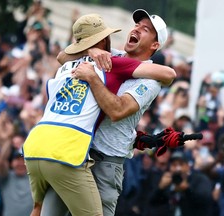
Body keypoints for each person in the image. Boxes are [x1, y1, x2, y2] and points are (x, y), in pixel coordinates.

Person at [23, 13, 176, 216]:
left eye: (145, 29)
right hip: (74, 152)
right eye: (137, 24)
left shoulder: (150, 80)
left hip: (106, 162)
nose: (136, 29)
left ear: (155, 45)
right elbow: (63, 56)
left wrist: (93, 77)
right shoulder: (111, 55)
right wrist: (92, 49)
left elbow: (117, 111)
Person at [150, 151, 214, 216]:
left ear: (187, 166)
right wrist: (160, 188)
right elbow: (153, 202)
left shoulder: (199, 178)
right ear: (170, 167)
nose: (178, 168)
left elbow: (205, 200)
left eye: (181, 164)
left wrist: (187, 189)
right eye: (174, 165)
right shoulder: (169, 180)